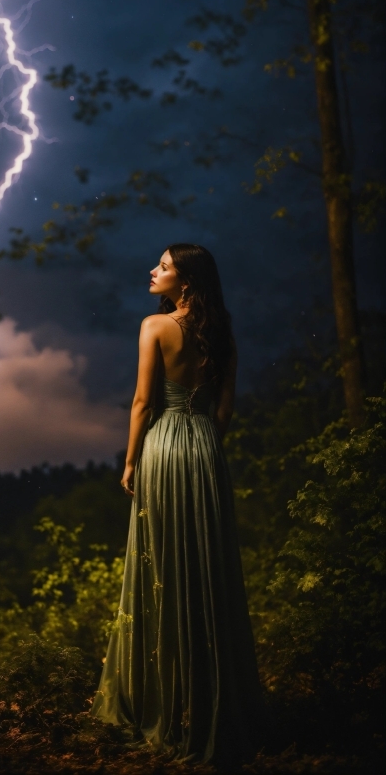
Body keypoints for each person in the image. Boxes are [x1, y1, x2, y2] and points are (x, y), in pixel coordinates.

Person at [91, 243, 265, 768]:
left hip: (163, 447)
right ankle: (213, 703)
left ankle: (162, 700)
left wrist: (130, 461)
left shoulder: (154, 326)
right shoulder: (223, 334)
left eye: (163, 266)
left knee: (161, 565)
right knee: (206, 570)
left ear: (185, 282)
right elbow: (226, 410)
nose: (153, 270)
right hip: (205, 449)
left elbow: (144, 402)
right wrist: (205, 447)